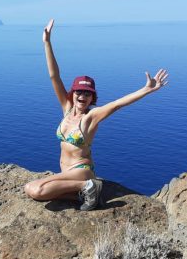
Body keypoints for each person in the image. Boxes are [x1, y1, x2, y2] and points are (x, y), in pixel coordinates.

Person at [24, 19, 168, 210]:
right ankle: (86, 193)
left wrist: (146, 90)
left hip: (81, 171)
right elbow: (54, 76)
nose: (82, 96)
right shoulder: (67, 108)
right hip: (65, 172)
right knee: (29, 188)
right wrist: (47, 42)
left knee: (37, 190)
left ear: (92, 97)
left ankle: (87, 186)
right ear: (72, 93)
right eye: (79, 92)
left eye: (87, 94)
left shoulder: (90, 118)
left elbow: (117, 104)